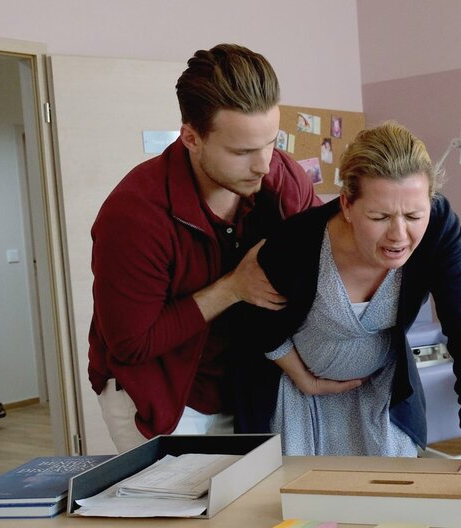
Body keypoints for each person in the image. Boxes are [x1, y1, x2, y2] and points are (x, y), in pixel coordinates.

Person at [232, 121, 461, 480]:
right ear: (347, 204)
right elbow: (254, 322)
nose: (399, 235)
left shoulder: (438, 228)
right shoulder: (298, 242)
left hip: (380, 395)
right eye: (379, 217)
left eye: (414, 216)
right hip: (299, 400)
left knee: (392, 494)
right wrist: (304, 378)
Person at [88, 44, 321, 452]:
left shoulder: (282, 177)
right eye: (241, 151)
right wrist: (233, 287)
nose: (263, 164)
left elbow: (325, 251)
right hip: (158, 393)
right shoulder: (133, 216)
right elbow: (132, 344)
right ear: (191, 138)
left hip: (239, 385)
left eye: (270, 142)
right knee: (182, 497)